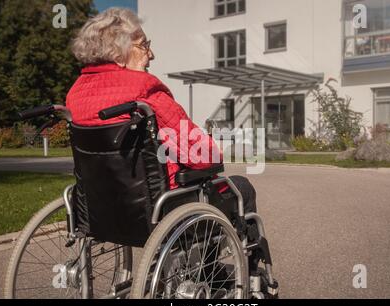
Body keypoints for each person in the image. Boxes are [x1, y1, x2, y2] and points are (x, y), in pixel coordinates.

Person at [66, 8, 257, 214]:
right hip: (161, 206)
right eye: (144, 45)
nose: (151, 54)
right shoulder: (143, 89)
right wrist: (214, 149)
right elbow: (201, 156)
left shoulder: (75, 93)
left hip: (102, 207)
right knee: (242, 187)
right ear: (118, 53)